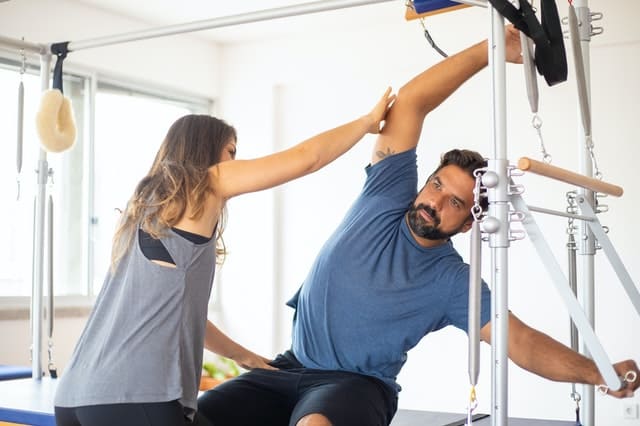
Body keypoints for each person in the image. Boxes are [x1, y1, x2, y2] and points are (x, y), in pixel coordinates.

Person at [197, 25, 640, 426]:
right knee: (199, 415)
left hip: (355, 387)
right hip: (289, 367)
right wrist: (490, 50)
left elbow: (519, 342)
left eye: (454, 202)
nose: (434, 202)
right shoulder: (386, 195)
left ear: (468, 223)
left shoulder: (452, 281)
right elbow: (410, 102)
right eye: (435, 185)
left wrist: (597, 370)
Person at [53, 87, 396, 426]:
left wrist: (242, 355)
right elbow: (308, 158)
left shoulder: (142, 209)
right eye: (231, 151)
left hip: (74, 399)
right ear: (208, 151)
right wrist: (366, 122)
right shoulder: (208, 181)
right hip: (136, 396)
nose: (234, 162)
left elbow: (180, 314)